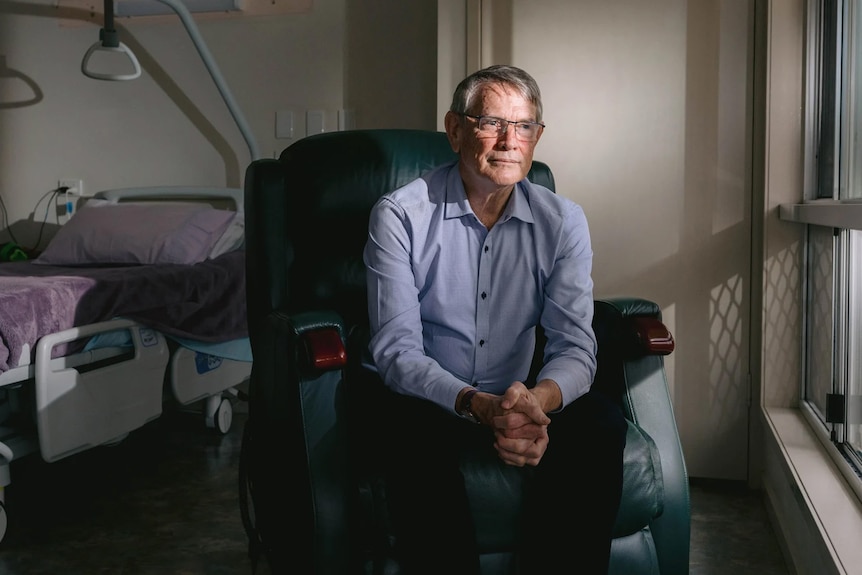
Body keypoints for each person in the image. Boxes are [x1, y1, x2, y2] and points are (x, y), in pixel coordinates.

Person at [363, 64, 627, 574]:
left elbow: (575, 345)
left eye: (523, 126)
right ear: (455, 129)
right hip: (432, 399)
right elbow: (397, 352)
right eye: (491, 123)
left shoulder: (563, 221)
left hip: (518, 393)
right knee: (409, 436)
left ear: (537, 137)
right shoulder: (399, 215)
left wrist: (535, 403)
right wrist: (475, 405)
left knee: (599, 425)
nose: (509, 141)